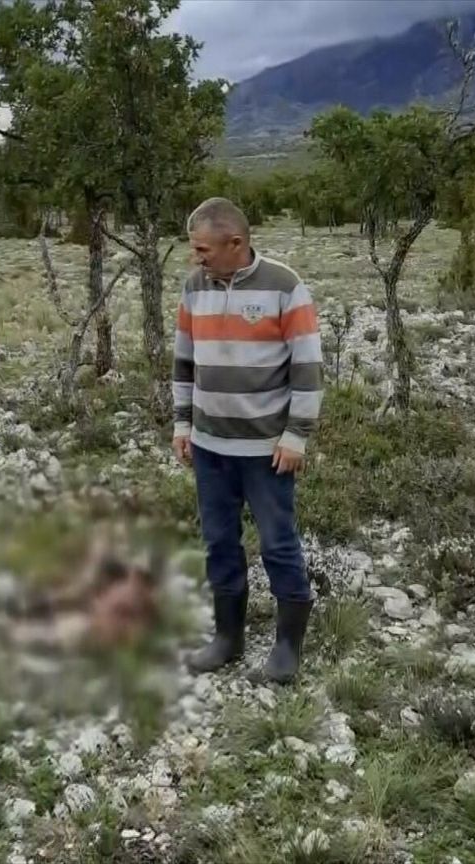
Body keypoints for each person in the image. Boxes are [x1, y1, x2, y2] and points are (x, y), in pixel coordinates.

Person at [172, 197, 323, 684]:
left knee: (278, 544)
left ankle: (286, 650)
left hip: (266, 451)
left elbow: (307, 368)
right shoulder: (194, 287)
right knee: (219, 542)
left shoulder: (285, 286)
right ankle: (227, 638)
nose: (196, 257)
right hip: (209, 446)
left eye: (203, 249)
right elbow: (183, 362)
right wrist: (182, 425)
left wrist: (296, 435)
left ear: (235, 243)